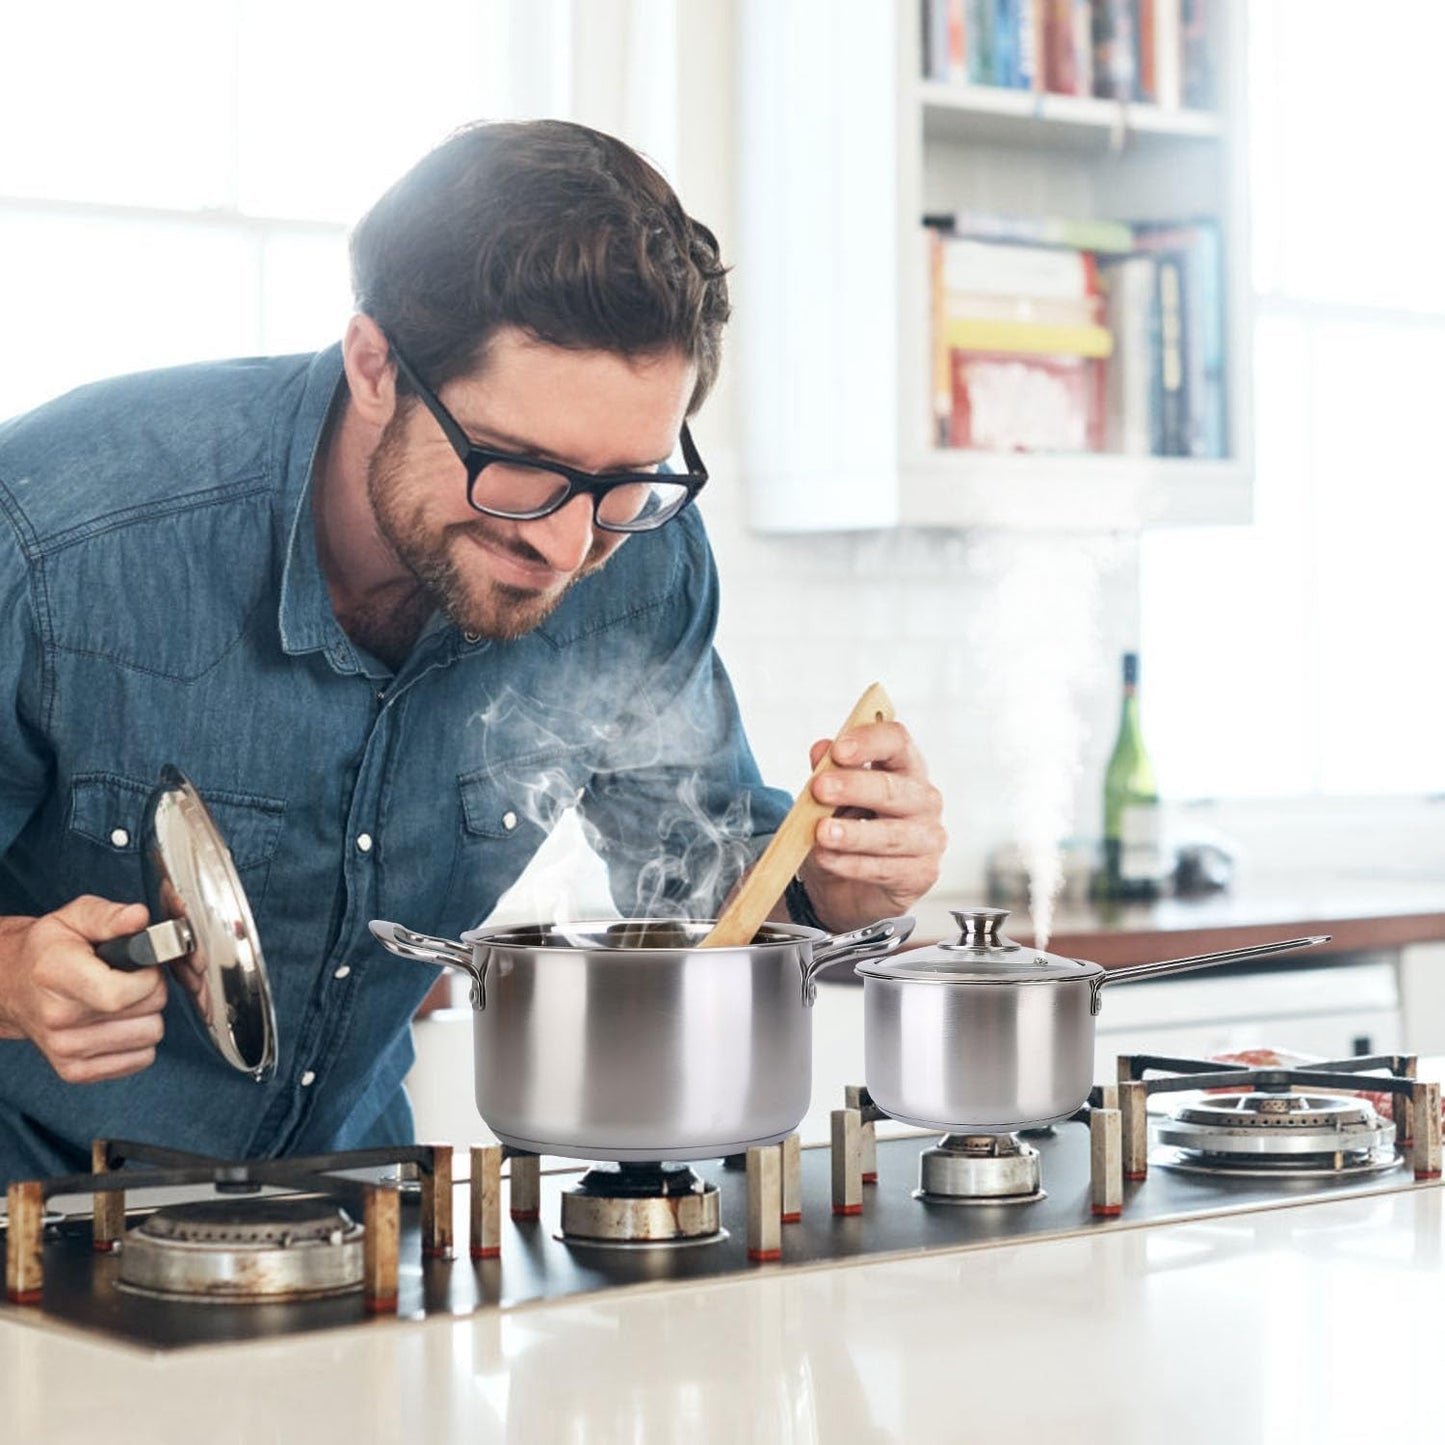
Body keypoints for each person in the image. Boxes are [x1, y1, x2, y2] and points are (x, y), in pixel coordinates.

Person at [0, 119, 945, 1186]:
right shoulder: (57, 535)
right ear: (373, 367)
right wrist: (12, 975)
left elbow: (708, 884)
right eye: (520, 466)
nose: (566, 542)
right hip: (37, 1216)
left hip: (355, 1220)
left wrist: (836, 880)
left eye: (625, 478)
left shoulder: (639, 557)